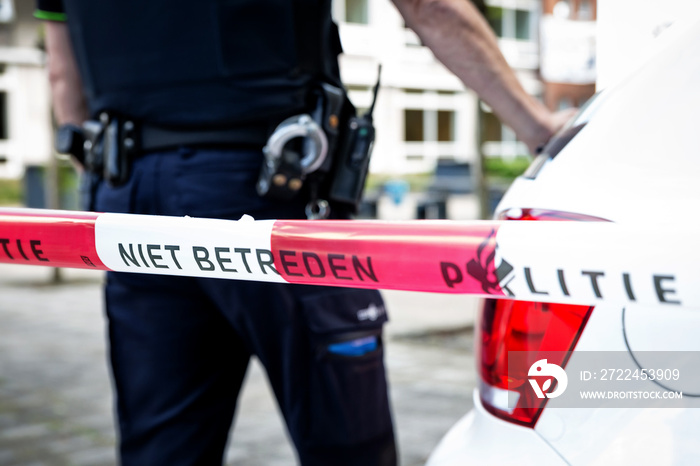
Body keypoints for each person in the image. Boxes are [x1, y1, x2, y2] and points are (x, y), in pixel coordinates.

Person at [36, 1, 575, 465]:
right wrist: (540, 130)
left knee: (163, 445)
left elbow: (64, 77)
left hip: (132, 197)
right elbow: (430, 8)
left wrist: (116, 180)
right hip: (270, 188)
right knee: (346, 443)